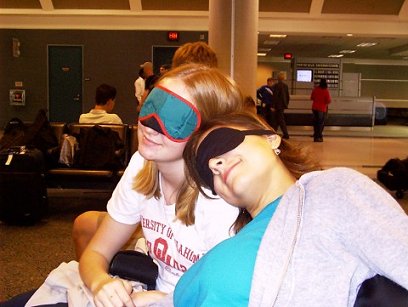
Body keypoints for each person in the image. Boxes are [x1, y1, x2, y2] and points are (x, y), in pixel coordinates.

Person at [176, 111, 408, 306]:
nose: (214, 165)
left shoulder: (331, 190)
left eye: (221, 143)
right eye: (208, 175)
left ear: (270, 138)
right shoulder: (244, 238)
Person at [72, 41, 220, 260]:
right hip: (153, 215)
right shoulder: (143, 161)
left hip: (182, 230)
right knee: (86, 226)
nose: (152, 127)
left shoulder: (215, 144)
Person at [310, 78, 331, 142]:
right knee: (320, 123)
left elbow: (312, 97)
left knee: (315, 123)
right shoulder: (326, 90)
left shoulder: (315, 89)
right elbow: (328, 100)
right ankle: (319, 136)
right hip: (322, 109)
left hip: (314, 108)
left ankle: (316, 136)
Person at [271, 72, 290, 139]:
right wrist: (286, 104)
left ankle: (285, 134)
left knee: (278, 120)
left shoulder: (276, 85)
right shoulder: (285, 86)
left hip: (277, 105)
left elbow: (275, 96)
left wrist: (273, 106)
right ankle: (275, 133)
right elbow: (287, 96)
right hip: (282, 105)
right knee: (279, 119)